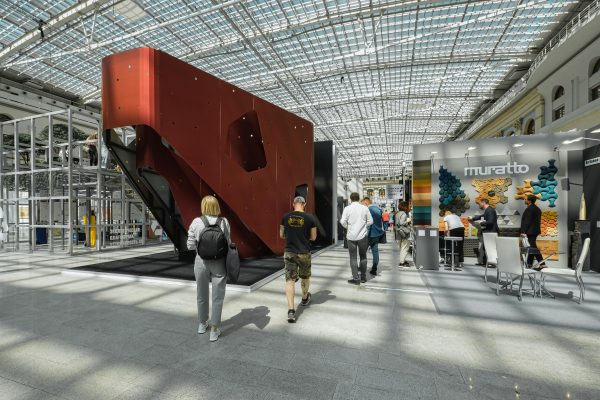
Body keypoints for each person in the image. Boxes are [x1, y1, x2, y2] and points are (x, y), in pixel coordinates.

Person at [187, 195, 231, 342]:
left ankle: (202, 323)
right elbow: (228, 242)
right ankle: (214, 329)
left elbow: (190, 245)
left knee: (201, 293)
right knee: (218, 297)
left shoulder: (196, 222)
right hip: (219, 263)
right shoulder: (224, 222)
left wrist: (200, 247)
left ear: (203, 206)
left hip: (201, 261)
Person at [280, 196, 317, 323]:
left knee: (290, 281)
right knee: (305, 277)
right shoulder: (310, 218)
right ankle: (305, 298)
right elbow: (313, 237)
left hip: (290, 252)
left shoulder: (285, 217)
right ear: (304, 204)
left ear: (293, 204)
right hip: (304, 253)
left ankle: (291, 310)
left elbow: (281, 235)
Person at [340, 192, 373, 284]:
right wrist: (364, 226)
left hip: (351, 236)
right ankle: (363, 277)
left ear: (351, 199)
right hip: (362, 236)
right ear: (359, 199)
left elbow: (342, 221)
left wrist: (348, 227)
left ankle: (355, 278)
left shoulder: (347, 208)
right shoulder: (364, 208)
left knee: (353, 258)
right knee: (363, 256)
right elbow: (371, 221)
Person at [468, 198, 498, 265]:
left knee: (490, 248)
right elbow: (481, 216)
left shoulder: (490, 210)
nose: (479, 205)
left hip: (491, 232)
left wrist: (481, 222)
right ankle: (485, 262)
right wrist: (472, 218)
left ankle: (492, 263)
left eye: (480, 203)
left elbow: (490, 222)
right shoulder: (488, 210)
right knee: (486, 248)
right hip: (489, 232)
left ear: (483, 202)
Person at [520, 195, 546, 270]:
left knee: (533, 248)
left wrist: (523, 231)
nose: (524, 200)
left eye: (526, 199)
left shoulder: (530, 209)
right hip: (534, 231)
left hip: (530, 231)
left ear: (529, 201)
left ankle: (542, 264)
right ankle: (529, 264)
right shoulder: (537, 209)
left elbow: (527, 221)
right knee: (531, 248)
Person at [363, 197, 385, 276]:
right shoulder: (378, 209)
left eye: (363, 204)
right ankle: (374, 269)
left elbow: (366, 222)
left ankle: (362, 267)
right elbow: (382, 221)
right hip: (377, 233)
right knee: (375, 251)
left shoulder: (367, 210)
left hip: (368, 234)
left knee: (363, 252)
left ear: (366, 202)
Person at [395, 201, 412, 267]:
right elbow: (401, 223)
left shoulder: (397, 213)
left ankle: (403, 260)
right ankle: (402, 263)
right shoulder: (404, 214)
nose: (409, 207)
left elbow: (397, 223)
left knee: (401, 248)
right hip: (404, 233)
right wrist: (408, 220)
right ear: (405, 206)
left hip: (398, 232)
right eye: (408, 206)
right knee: (405, 248)